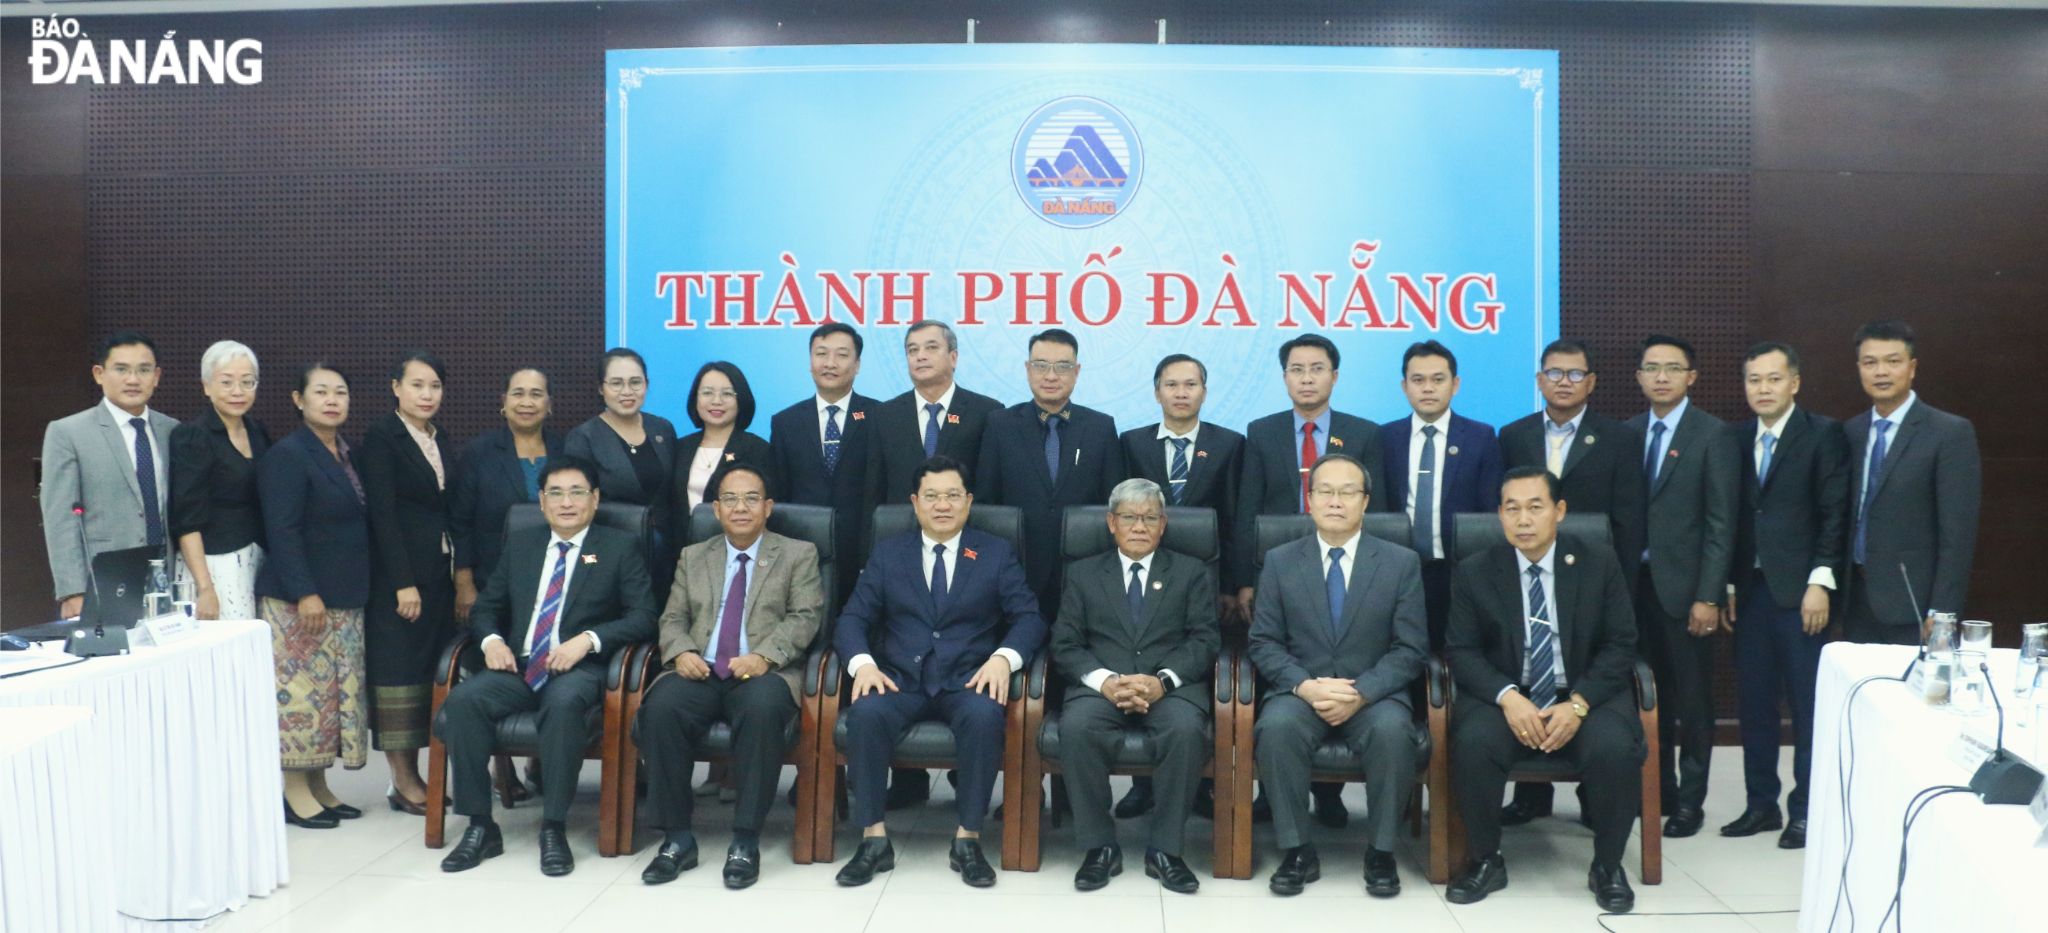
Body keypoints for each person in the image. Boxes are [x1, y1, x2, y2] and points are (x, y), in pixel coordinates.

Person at [437, 455, 658, 877]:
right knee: (464, 701)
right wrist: (491, 640)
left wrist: (587, 641)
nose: (566, 502)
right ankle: (481, 826)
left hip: (580, 670)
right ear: (541, 502)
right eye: (555, 493)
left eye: (577, 492)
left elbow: (644, 616)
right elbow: (486, 608)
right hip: (519, 667)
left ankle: (553, 826)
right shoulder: (522, 545)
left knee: (563, 703)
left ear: (594, 500)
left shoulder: (617, 546)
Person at [832, 455, 1046, 889]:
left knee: (985, 716)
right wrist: (864, 665)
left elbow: (1029, 618)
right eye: (932, 496)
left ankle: (967, 838)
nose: (942, 505)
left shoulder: (994, 552)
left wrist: (1003, 658)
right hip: (899, 679)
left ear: (968, 501)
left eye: (952, 496)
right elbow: (852, 618)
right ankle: (873, 838)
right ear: (915, 502)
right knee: (866, 713)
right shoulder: (890, 553)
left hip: (969, 678)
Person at [1443, 467, 1644, 914]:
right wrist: (1508, 697)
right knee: (1474, 742)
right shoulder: (1476, 571)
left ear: (1560, 511)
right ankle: (1486, 860)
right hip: (1508, 695)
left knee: (1615, 747)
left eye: (1535, 507)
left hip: (1582, 693)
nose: (1523, 519)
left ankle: (1607, 865)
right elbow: (1461, 649)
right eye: (1511, 509)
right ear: (1498, 515)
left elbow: (1621, 643)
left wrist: (1578, 704)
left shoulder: (1597, 562)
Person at [1247, 453, 1426, 898]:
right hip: (1302, 689)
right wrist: (1306, 685)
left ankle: (1381, 851)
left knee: (1393, 732)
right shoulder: (1280, 560)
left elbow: (1411, 648)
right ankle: (1296, 850)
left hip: (1373, 693)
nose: (1335, 501)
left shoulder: (1400, 562)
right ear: (1309, 501)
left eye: (1348, 492)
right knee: (1276, 727)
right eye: (1325, 491)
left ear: (1366, 502)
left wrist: (1362, 692)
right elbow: (1263, 641)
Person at [637, 463, 823, 889]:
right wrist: (681, 651)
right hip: (699, 668)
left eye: (752, 498)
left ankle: (745, 839)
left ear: (769, 507)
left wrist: (764, 656)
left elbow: (804, 617)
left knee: (761, 711)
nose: (741, 507)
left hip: (762, 671)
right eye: (731, 500)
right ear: (716, 509)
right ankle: (677, 839)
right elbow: (672, 617)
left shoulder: (798, 554)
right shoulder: (693, 555)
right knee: (661, 708)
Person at [1494, 338, 1646, 827]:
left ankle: (1593, 796)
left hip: (1591, 584)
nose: (1564, 382)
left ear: (1592, 382)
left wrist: (1612, 585)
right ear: (1539, 380)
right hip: (1527, 576)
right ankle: (1531, 796)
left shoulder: (1619, 438)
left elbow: (1628, 521)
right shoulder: (1512, 435)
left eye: (1575, 374)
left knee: (1582, 685)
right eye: (1554, 373)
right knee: (1531, 671)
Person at [1237, 333, 1385, 828]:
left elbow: (1376, 510)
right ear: (1284, 378)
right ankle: (1273, 790)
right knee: (1283, 677)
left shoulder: (1364, 433)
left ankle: (1328, 793)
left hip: (1345, 562)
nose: (1306, 378)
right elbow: (1247, 509)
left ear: (1334, 377)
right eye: (1296, 369)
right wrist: (1243, 579)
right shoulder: (1261, 431)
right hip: (1280, 574)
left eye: (1316, 369)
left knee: (1339, 661)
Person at [1052, 478, 1220, 894]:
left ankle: (1165, 850)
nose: (1139, 526)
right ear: (1111, 523)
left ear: (1163, 525)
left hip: (1170, 687)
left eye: (1149, 518)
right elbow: (1065, 644)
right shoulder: (1084, 573)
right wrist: (1106, 682)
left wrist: (1162, 681)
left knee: (1184, 731)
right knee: (1076, 729)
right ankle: (1099, 848)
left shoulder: (1190, 571)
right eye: (1129, 517)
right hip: (1102, 687)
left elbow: (1204, 638)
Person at [863, 319, 1004, 809]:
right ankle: (907, 781)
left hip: (964, 558)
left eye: (931, 348)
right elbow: (876, 494)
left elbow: (987, 494)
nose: (920, 356)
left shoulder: (986, 413)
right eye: (911, 349)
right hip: (902, 558)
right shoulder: (886, 415)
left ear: (954, 356)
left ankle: (970, 789)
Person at [1722, 341, 1848, 850]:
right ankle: (1760, 806)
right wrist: (1726, 585)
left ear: (1794, 382)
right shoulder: (1732, 438)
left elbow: (1834, 515)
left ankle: (1806, 811)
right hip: (1749, 593)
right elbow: (1729, 520)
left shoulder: (1824, 435)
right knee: (1754, 705)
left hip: (1802, 595)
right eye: (1754, 379)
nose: (1763, 389)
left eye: (1773, 379)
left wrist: (1820, 581)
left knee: (1806, 706)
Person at [1110, 353, 1243, 820]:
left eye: (1191, 384)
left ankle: (1200, 785)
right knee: (1139, 662)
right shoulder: (1131, 442)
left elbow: (1235, 520)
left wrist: (1232, 584)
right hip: (1143, 571)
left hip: (1205, 584)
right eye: (1172, 384)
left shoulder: (1230, 444)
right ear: (1157, 391)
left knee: (1192, 680)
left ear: (1204, 392)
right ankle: (1142, 786)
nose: (1181, 393)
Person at [1627, 334, 1736, 839]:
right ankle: (1658, 791)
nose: (1662, 377)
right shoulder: (1627, 433)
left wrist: (1709, 595)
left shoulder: (1712, 435)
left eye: (1673, 368)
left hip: (1687, 590)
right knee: (1645, 697)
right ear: (1639, 377)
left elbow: (1721, 523)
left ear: (1692, 376)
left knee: (1691, 700)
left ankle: (1690, 801)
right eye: (1652, 368)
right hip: (1633, 589)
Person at [256, 362, 370, 829]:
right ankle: (292, 791)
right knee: (300, 700)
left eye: (340, 392)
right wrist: (305, 591)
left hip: (343, 594)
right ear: (298, 399)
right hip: (298, 600)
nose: (332, 400)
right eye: (320, 392)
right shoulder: (288, 454)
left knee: (330, 700)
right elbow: (281, 529)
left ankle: (319, 785)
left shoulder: (344, 452)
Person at [1841, 319, 1981, 645]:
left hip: (1915, 607)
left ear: (1912, 367)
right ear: (1859, 368)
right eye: (1870, 362)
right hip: (1856, 601)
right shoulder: (1850, 432)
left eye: (1893, 361)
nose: (1881, 372)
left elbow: (1957, 535)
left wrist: (1943, 611)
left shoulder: (1949, 433)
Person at [359, 350, 456, 814]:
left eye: (434, 386)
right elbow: (383, 513)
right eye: (417, 385)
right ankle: (402, 779)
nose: (426, 394)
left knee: (424, 676)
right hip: (400, 581)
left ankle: (417, 775)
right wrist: (402, 581)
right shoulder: (382, 437)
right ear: (396, 387)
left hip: (437, 574)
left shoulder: (439, 438)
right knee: (398, 675)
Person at [975, 328, 1124, 620]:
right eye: (1041, 365)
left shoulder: (1100, 427)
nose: (1051, 376)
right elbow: (985, 502)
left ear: (1077, 371)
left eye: (1062, 367)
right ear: (1028, 369)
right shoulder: (1000, 424)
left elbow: (1114, 505)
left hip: (1084, 571)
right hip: (1016, 568)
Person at [40, 331, 179, 619]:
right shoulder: (68, 433)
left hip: (167, 581)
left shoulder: (173, 431)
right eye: (121, 369)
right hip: (102, 583)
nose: (133, 379)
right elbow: (61, 519)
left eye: (143, 370)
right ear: (99, 374)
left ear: (157, 376)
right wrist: (72, 591)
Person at [1378, 340, 1504, 648]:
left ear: (1455, 384)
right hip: (1398, 571)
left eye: (1438, 379)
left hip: (1459, 571)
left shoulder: (1481, 437)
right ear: (1404, 386)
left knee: (1456, 653)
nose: (1428, 389)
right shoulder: (1384, 437)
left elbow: (1490, 512)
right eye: (1418, 380)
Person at [768, 322, 877, 605]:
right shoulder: (785, 422)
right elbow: (779, 491)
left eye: (841, 355)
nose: (830, 363)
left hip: (862, 548)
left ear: (858, 365)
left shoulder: (880, 416)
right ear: (810, 362)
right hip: (801, 547)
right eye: (821, 354)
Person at [169, 340, 272, 621]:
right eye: (226, 382)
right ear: (206, 386)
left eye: (247, 382)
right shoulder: (192, 437)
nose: (238, 392)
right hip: (215, 564)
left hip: (257, 557)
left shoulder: (258, 431)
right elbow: (186, 519)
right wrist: (205, 588)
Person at [451, 367, 563, 621]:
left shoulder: (565, 450)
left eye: (536, 394)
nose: (526, 402)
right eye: (518, 394)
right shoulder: (479, 453)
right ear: (504, 401)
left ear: (549, 404)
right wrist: (464, 583)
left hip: (555, 579)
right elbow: (460, 522)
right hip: (493, 580)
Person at [566, 348, 681, 594]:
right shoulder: (583, 438)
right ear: (601, 388)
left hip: (665, 555)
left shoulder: (662, 428)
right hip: (611, 557)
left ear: (647, 385)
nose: (627, 391)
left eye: (635, 382)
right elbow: (578, 505)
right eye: (616, 383)